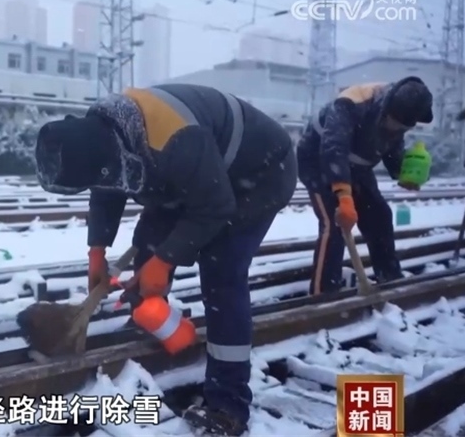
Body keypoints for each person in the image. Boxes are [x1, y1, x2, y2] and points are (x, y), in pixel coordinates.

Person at [34, 84, 297, 436]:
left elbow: (215, 207)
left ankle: (228, 404)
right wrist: (97, 250)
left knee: (221, 271)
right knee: (148, 245)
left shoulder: (176, 139)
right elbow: (105, 190)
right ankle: (156, 332)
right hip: (195, 176)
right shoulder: (102, 135)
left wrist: (165, 261)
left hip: (258, 174)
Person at [296, 77, 433, 296]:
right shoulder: (351, 103)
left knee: (380, 216)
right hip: (318, 162)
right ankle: (323, 293)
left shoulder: (399, 118)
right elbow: (334, 148)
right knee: (335, 224)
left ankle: (389, 277)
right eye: (393, 123)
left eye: (401, 127)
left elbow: (390, 150)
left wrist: (404, 172)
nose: (395, 129)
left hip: (357, 167)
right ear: (387, 109)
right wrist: (344, 196)